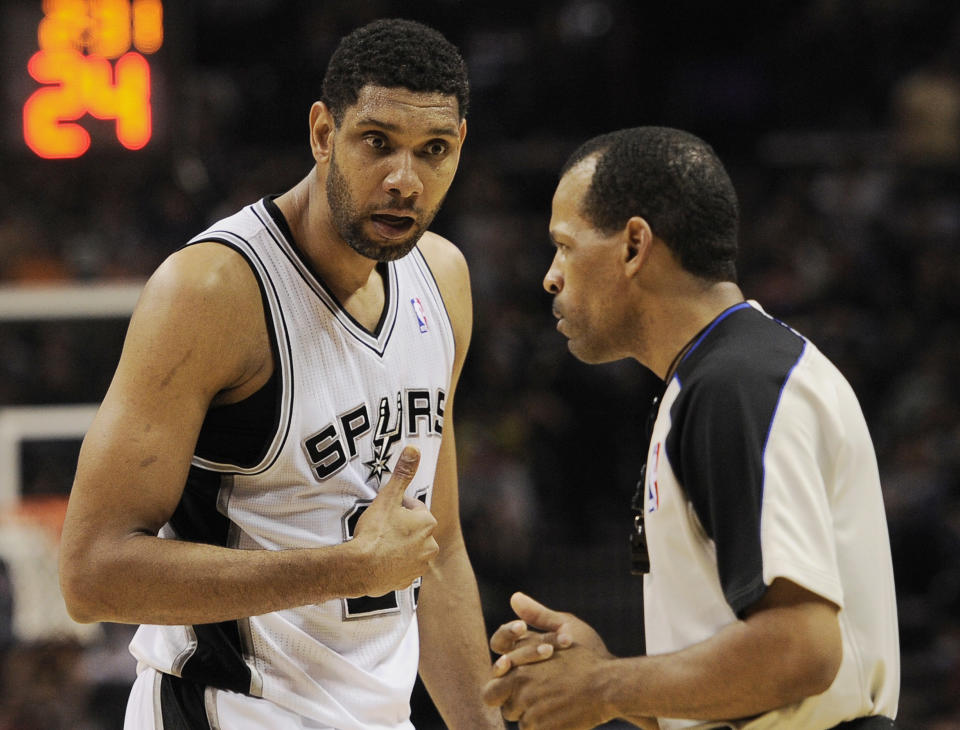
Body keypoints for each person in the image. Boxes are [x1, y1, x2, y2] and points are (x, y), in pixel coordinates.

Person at [58, 18, 503, 730]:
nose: (403, 180)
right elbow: (92, 575)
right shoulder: (212, 292)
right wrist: (344, 571)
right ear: (323, 133)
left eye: (434, 151)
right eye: (377, 142)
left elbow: (438, 548)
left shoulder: (442, 278)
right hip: (226, 713)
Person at [482, 127, 900, 730]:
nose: (550, 276)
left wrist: (606, 686)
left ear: (633, 246)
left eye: (565, 247)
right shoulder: (721, 375)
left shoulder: (736, 384)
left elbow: (802, 650)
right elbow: (747, 685)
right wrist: (608, 679)